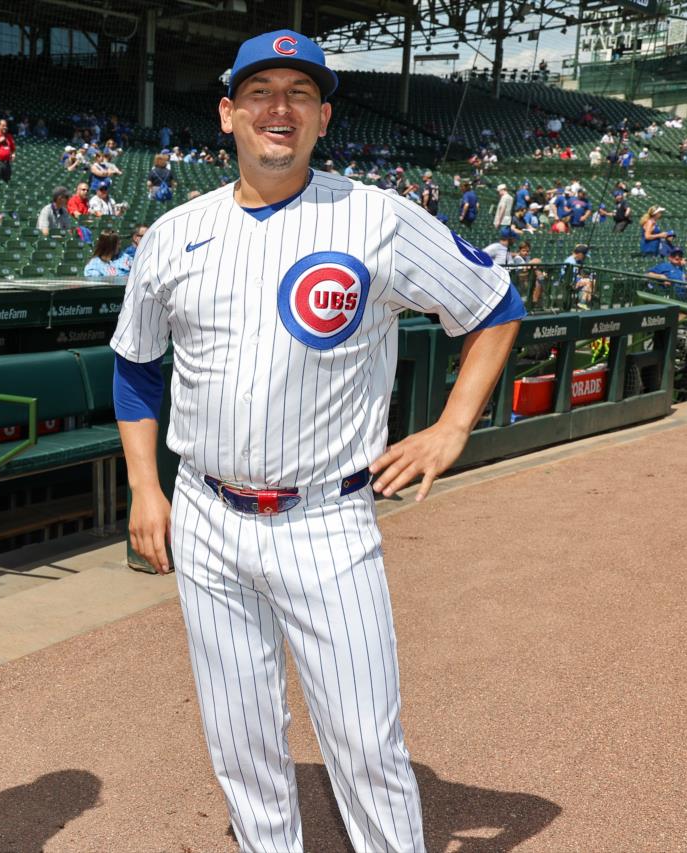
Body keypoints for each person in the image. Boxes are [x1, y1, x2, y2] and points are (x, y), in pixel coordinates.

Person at [111, 30, 522, 853]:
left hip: (325, 518)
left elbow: (494, 304)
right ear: (228, 113)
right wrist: (146, 488)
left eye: (300, 94)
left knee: (366, 743)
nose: (279, 107)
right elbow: (135, 365)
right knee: (242, 740)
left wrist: (451, 428)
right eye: (260, 91)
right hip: (206, 511)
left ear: (324, 116)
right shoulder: (173, 233)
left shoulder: (376, 216)